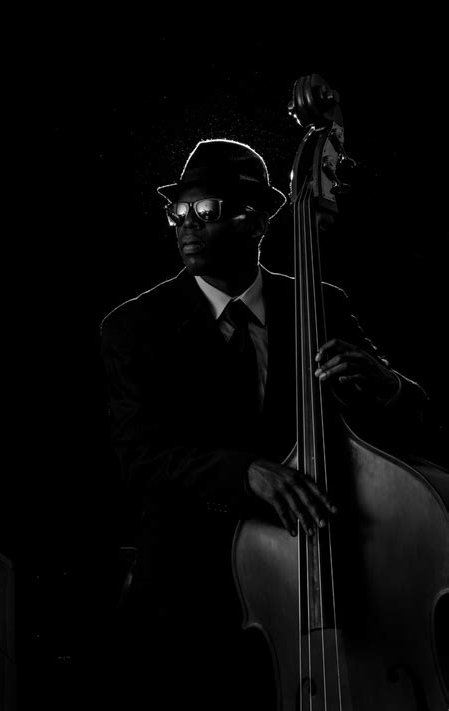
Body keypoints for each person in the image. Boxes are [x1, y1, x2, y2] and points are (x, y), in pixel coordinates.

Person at [100, 139, 431, 709]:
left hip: (322, 587)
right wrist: (246, 473)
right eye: (178, 213)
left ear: (255, 221)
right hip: (189, 596)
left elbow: (418, 431)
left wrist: (391, 387)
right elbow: (142, 460)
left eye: (206, 212)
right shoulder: (133, 328)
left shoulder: (321, 304)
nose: (186, 225)